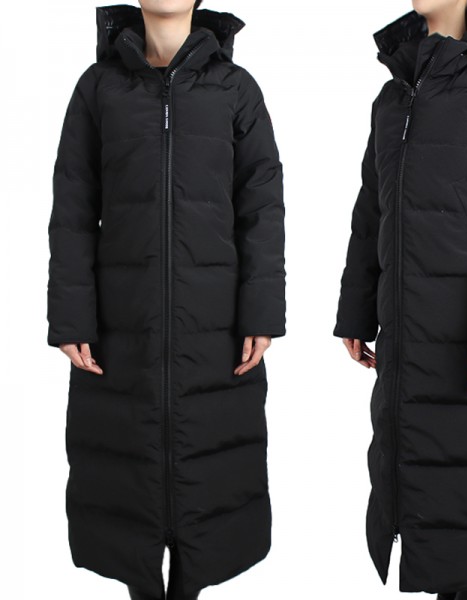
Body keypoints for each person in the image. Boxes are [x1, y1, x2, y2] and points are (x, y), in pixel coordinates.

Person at [46, 1, 285, 599]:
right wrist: (71, 316)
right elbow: (72, 208)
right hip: (121, 332)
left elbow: (262, 208)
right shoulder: (97, 89)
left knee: (208, 489)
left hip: (216, 332)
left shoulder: (236, 90)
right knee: (127, 493)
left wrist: (261, 311)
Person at [333, 0, 467, 598]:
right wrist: (356, 310)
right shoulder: (393, 97)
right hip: (408, 344)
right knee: (421, 498)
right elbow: (371, 210)